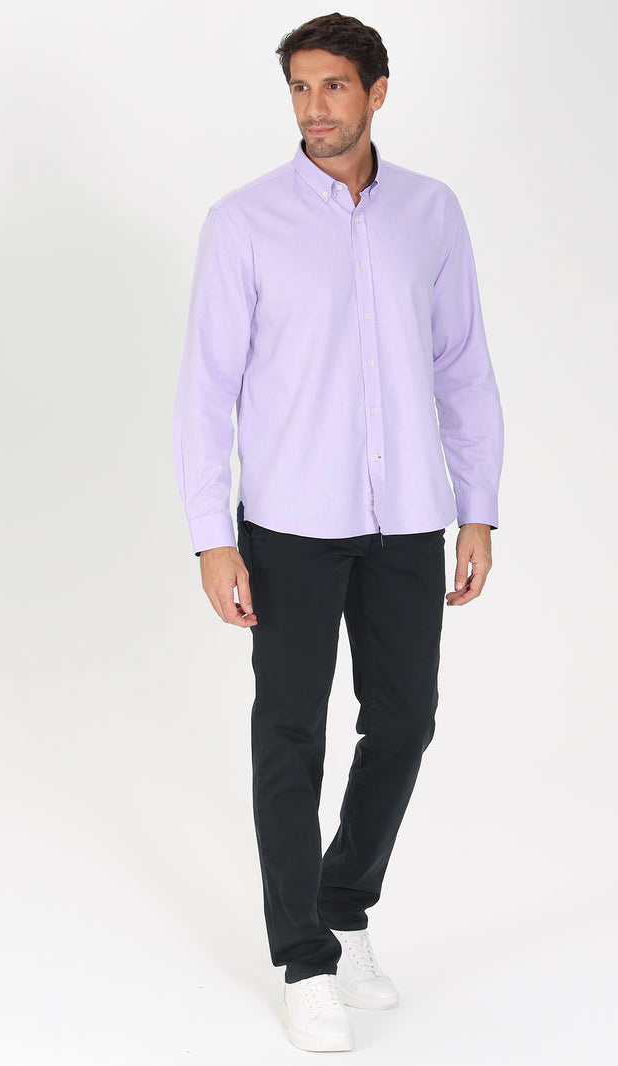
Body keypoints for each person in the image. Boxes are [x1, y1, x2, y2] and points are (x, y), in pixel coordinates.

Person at [172, 12, 504, 1053]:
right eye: (300, 88)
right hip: (289, 522)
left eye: (333, 87)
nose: (314, 108)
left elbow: (462, 365)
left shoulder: (431, 214)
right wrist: (211, 536)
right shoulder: (243, 222)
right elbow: (206, 389)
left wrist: (477, 507)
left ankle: (344, 905)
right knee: (290, 733)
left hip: (406, 516)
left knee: (404, 721)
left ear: (377, 92)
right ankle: (304, 960)